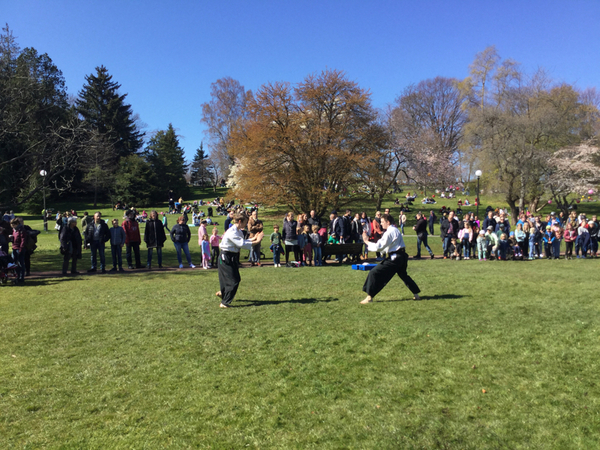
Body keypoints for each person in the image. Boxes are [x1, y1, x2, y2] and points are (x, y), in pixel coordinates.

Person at [359, 213, 421, 303]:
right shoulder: (395, 230)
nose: (381, 224)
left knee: (374, 272)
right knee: (404, 275)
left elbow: (380, 246)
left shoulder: (390, 231)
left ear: (388, 222)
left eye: (383, 222)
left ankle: (369, 297)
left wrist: (366, 241)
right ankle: (416, 294)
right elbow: (387, 247)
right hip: (402, 257)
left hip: (396, 258)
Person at [216, 212, 264, 308]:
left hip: (232, 256)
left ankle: (223, 294)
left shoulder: (238, 231)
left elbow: (243, 241)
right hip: (225, 256)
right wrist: (257, 241)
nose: (246, 225)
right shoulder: (232, 232)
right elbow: (242, 245)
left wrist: (253, 238)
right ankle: (224, 302)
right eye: (245, 223)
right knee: (233, 280)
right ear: (240, 221)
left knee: (235, 278)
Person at [10, 218, 26, 285]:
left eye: (13, 225)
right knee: (14, 263)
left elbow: (23, 240)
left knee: (20, 263)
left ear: (17, 224)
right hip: (14, 247)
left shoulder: (21, 230)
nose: (12, 226)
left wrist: (21, 249)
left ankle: (21, 277)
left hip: (19, 248)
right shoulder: (14, 230)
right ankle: (17, 275)